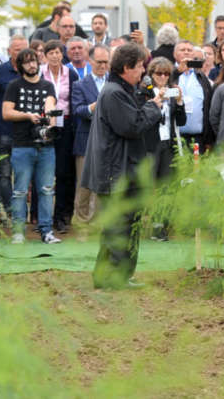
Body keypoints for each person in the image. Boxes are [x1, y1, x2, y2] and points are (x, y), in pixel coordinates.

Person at [81, 42, 163, 289]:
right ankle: (113, 278)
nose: (143, 71)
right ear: (126, 67)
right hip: (115, 172)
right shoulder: (115, 92)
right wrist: (154, 105)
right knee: (119, 227)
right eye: (139, 66)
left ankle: (112, 277)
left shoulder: (119, 90)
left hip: (121, 169)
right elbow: (132, 126)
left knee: (123, 226)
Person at [3, 48, 60, 245]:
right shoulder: (14, 85)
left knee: (46, 190)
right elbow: (6, 113)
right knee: (19, 190)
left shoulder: (48, 86)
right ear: (20, 66)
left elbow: (50, 104)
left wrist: (48, 117)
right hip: (22, 145)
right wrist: (28, 115)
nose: (31, 65)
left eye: (34, 60)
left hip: (46, 146)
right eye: (27, 62)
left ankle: (46, 231)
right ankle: (18, 231)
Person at [0, 34, 28, 218]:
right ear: (9, 51)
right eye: (17, 49)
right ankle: (7, 211)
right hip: (2, 130)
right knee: (2, 175)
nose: (21, 53)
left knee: (22, 175)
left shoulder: (32, 72)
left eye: (24, 49)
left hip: (25, 133)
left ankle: (18, 212)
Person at [40, 39, 78, 233]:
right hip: (45, 124)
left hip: (66, 124)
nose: (55, 56)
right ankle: (41, 216)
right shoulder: (40, 73)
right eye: (51, 52)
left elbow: (74, 99)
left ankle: (61, 216)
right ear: (45, 55)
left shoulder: (70, 73)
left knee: (64, 172)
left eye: (58, 52)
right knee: (43, 170)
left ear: (62, 54)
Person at [70, 44, 110, 225]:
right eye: (99, 62)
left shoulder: (113, 83)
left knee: (104, 182)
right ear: (90, 61)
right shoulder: (80, 84)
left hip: (109, 140)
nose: (103, 66)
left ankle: (100, 220)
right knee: (84, 183)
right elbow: (77, 110)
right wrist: (92, 108)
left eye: (106, 62)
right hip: (85, 138)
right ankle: (81, 220)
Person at [144, 57, 185, 180]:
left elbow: (182, 121)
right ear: (151, 74)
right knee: (149, 182)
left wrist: (179, 102)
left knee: (166, 183)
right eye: (159, 73)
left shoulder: (172, 91)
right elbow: (144, 118)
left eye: (166, 74)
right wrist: (158, 99)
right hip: (151, 143)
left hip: (168, 141)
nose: (163, 77)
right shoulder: (144, 92)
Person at [171, 41, 214, 154]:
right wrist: (177, 72)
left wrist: (208, 138)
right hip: (174, 138)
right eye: (182, 50)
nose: (186, 52)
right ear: (175, 54)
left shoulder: (201, 77)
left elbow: (208, 107)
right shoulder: (168, 74)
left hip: (197, 139)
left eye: (189, 50)